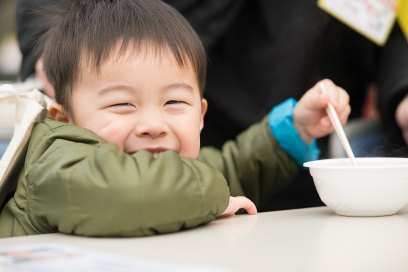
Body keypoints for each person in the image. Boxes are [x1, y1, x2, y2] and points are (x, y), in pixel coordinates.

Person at [0, 0, 350, 238]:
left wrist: (294, 130)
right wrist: (216, 197)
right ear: (64, 117)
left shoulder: (173, 168)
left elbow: (231, 167)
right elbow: (130, 194)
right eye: (122, 104)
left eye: (174, 102)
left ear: (201, 115)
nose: (154, 124)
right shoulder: (56, 158)